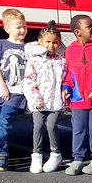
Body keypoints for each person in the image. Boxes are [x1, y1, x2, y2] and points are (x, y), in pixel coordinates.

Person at [63, 14, 92, 176]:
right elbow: (68, 73)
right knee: (78, 129)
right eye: (89, 26)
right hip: (77, 98)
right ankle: (78, 159)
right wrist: (66, 87)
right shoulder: (69, 51)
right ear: (78, 32)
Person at [23, 21, 68, 174]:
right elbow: (29, 80)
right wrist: (35, 98)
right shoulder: (34, 59)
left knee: (51, 126)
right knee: (37, 126)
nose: (51, 45)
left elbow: (65, 78)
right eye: (47, 42)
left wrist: (65, 92)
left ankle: (56, 154)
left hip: (55, 102)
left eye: (55, 42)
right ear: (40, 41)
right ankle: (36, 155)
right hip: (39, 101)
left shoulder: (61, 60)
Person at [0, 8, 28, 171]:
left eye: (24, 26)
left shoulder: (29, 48)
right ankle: (2, 157)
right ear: (7, 28)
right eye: (18, 27)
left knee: (4, 123)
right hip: (0, 91)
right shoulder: (1, 44)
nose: (22, 30)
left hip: (18, 92)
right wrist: (2, 87)